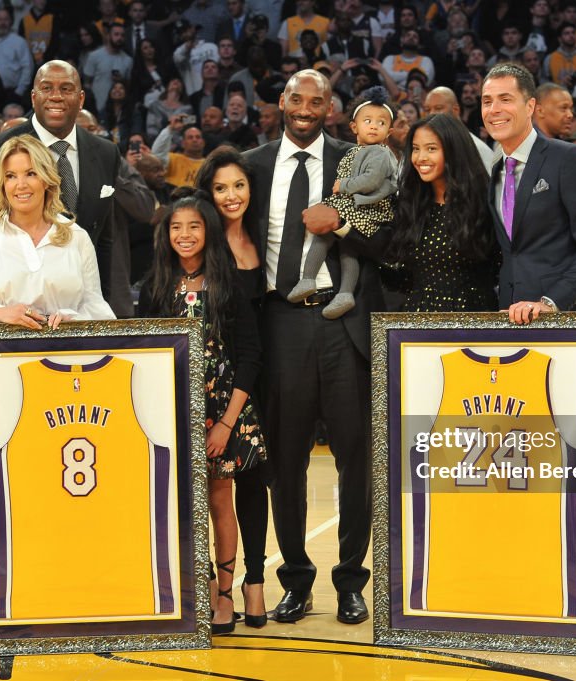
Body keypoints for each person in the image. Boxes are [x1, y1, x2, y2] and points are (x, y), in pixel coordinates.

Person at [243, 69, 388, 626]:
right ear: (281, 102)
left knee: (356, 458)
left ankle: (352, 580)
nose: (305, 108)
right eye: (296, 98)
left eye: (317, 101)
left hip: (344, 322)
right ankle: (296, 580)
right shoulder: (252, 166)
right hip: (279, 325)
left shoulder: (358, 160)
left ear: (331, 108)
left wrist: (344, 225)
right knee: (285, 462)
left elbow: (388, 236)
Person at [139, 189, 264, 635]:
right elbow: (144, 350)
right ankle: (202, 585)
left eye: (193, 226)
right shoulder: (156, 285)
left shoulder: (228, 282)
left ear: (207, 232)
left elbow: (250, 355)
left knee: (219, 499)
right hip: (172, 406)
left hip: (224, 410)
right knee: (183, 503)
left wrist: (226, 423)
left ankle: (227, 595)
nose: (185, 235)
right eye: (176, 227)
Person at [0, 60, 124, 343]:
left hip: (75, 323)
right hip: (9, 329)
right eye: (47, 88)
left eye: (66, 88)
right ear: (33, 97)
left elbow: (103, 239)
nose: (56, 96)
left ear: (81, 97)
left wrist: (98, 312)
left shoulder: (106, 152)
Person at [194, 148, 271, 628]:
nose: (231, 195)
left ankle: (255, 582)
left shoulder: (265, 233)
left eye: (238, 185)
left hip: (266, 365)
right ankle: (213, 586)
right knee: (215, 490)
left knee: (256, 482)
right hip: (224, 379)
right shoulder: (202, 244)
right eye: (220, 187)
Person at [480, 62, 576, 325]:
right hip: (512, 317)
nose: (494, 110)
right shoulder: (495, 170)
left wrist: (551, 303)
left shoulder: (568, 158)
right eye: (487, 101)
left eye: (505, 100)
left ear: (530, 106)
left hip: (569, 318)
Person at [0, 134, 115, 326]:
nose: (21, 185)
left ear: (46, 179)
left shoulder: (77, 237)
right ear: (2, 183)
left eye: (31, 173)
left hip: (68, 351)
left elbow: (97, 307)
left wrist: (73, 320)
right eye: (10, 176)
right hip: (2, 353)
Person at [291, 87, 396, 319]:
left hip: (367, 208)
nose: (373, 126)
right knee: (347, 248)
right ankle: (344, 293)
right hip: (355, 205)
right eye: (368, 120)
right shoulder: (356, 151)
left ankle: (310, 278)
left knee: (327, 235)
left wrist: (344, 186)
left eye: (381, 123)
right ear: (354, 127)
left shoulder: (380, 153)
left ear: (389, 131)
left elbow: (372, 180)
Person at [387, 113, 497, 312]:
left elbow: (498, 268)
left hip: (472, 321)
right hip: (416, 324)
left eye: (431, 149)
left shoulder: (485, 202)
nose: (421, 158)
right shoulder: (408, 204)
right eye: (416, 149)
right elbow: (401, 278)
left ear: (454, 151)